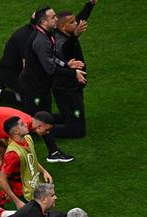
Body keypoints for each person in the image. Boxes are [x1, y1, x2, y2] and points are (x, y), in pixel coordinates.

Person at [20, 6, 81, 163]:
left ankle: (52, 152)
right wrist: (72, 72)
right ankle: (22, 154)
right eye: (53, 17)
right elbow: (50, 68)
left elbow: (52, 58)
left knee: (38, 121)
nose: (56, 19)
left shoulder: (47, 35)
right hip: (35, 89)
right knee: (32, 123)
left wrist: (66, 64)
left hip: (40, 87)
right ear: (44, 21)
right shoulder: (41, 40)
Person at [52, 1, 96, 139]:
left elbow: (80, 18)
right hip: (67, 88)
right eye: (72, 22)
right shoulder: (59, 40)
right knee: (78, 131)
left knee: (69, 118)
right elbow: (65, 48)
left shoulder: (65, 31)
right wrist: (75, 36)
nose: (76, 23)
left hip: (72, 86)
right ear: (63, 26)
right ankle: (40, 129)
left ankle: (37, 120)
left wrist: (90, 4)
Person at [0, 19, 34, 107]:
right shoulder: (26, 38)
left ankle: (2, 81)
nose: (56, 19)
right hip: (12, 73)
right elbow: (27, 67)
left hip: (12, 70)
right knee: (32, 100)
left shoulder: (35, 33)